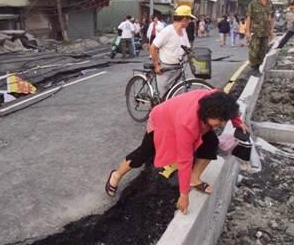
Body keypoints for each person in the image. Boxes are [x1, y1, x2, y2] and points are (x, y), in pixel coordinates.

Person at [104, 90, 247, 214]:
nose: (222, 124)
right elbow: (184, 160)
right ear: (208, 113)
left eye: (224, 120)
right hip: (162, 120)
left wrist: (237, 121)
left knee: (211, 143)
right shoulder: (188, 123)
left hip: (178, 115)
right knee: (144, 153)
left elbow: (226, 106)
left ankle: (193, 178)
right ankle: (116, 175)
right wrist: (183, 195)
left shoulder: (213, 99)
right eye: (220, 121)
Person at [149, 5, 195, 98]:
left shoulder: (184, 31)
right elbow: (153, 47)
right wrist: (156, 66)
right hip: (166, 69)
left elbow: (187, 47)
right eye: (189, 19)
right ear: (184, 19)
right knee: (162, 96)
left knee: (178, 95)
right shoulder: (167, 31)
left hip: (179, 67)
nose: (190, 21)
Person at [246, 0, 275, 76]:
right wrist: (247, 31)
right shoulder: (253, 4)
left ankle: (258, 67)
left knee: (263, 51)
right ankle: (253, 68)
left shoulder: (270, 4)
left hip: (265, 32)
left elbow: (272, 18)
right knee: (254, 51)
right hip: (255, 31)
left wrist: (271, 30)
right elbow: (249, 18)